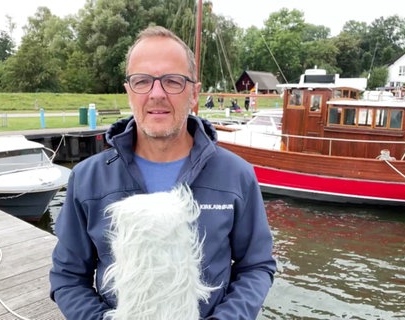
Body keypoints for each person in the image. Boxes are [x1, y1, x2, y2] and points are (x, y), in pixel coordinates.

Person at [49, 25, 276, 319]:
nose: (157, 94)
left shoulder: (237, 175)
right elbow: (68, 277)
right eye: (143, 81)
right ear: (129, 91)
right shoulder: (88, 178)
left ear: (194, 93)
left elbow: (256, 266)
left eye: (172, 81)